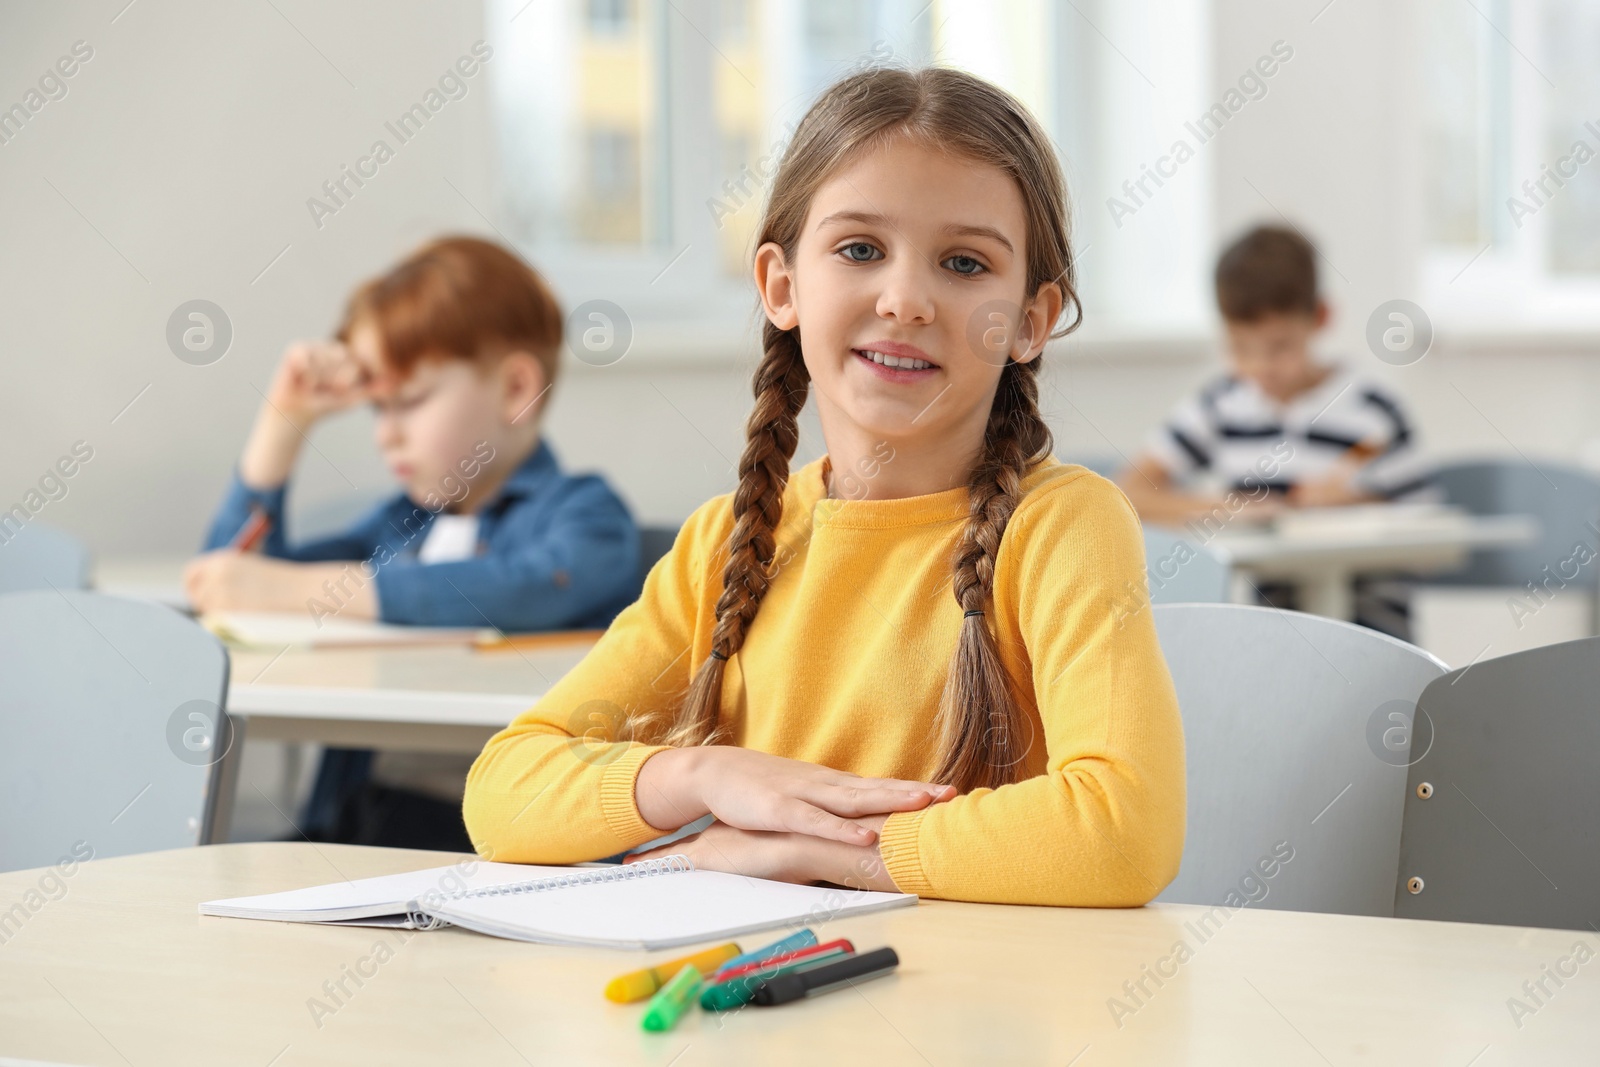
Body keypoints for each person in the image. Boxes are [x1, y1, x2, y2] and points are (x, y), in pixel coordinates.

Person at [463, 67, 1186, 907]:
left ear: (1031, 320)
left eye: (963, 262)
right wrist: (704, 775)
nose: (906, 299)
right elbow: (504, 789)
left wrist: (824, 852)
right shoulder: (726, 542)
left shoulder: (1065, 525)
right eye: (860, 250)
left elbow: (1123, 833)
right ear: (781, 286)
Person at [188, 235, 642, 846]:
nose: (385, 436)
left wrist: (309, 589)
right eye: (377, 410)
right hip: (357, 825)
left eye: (409, 402)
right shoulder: (401, 525)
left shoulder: (588, 515)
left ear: (514, 390)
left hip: (513, 846)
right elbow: (233, 581)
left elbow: (524, 588)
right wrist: (283, 423)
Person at [1116, 224, 1432, 636]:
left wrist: (1358, 503)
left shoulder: (1374, 412)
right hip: (1276, 634)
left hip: (1375, 632)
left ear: (1319, 318)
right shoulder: (1221, 406)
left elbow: (1426, 532)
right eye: (1241, 349)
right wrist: (1229, 508)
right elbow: (1130, 494)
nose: (1261, 367)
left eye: (1280, 347)